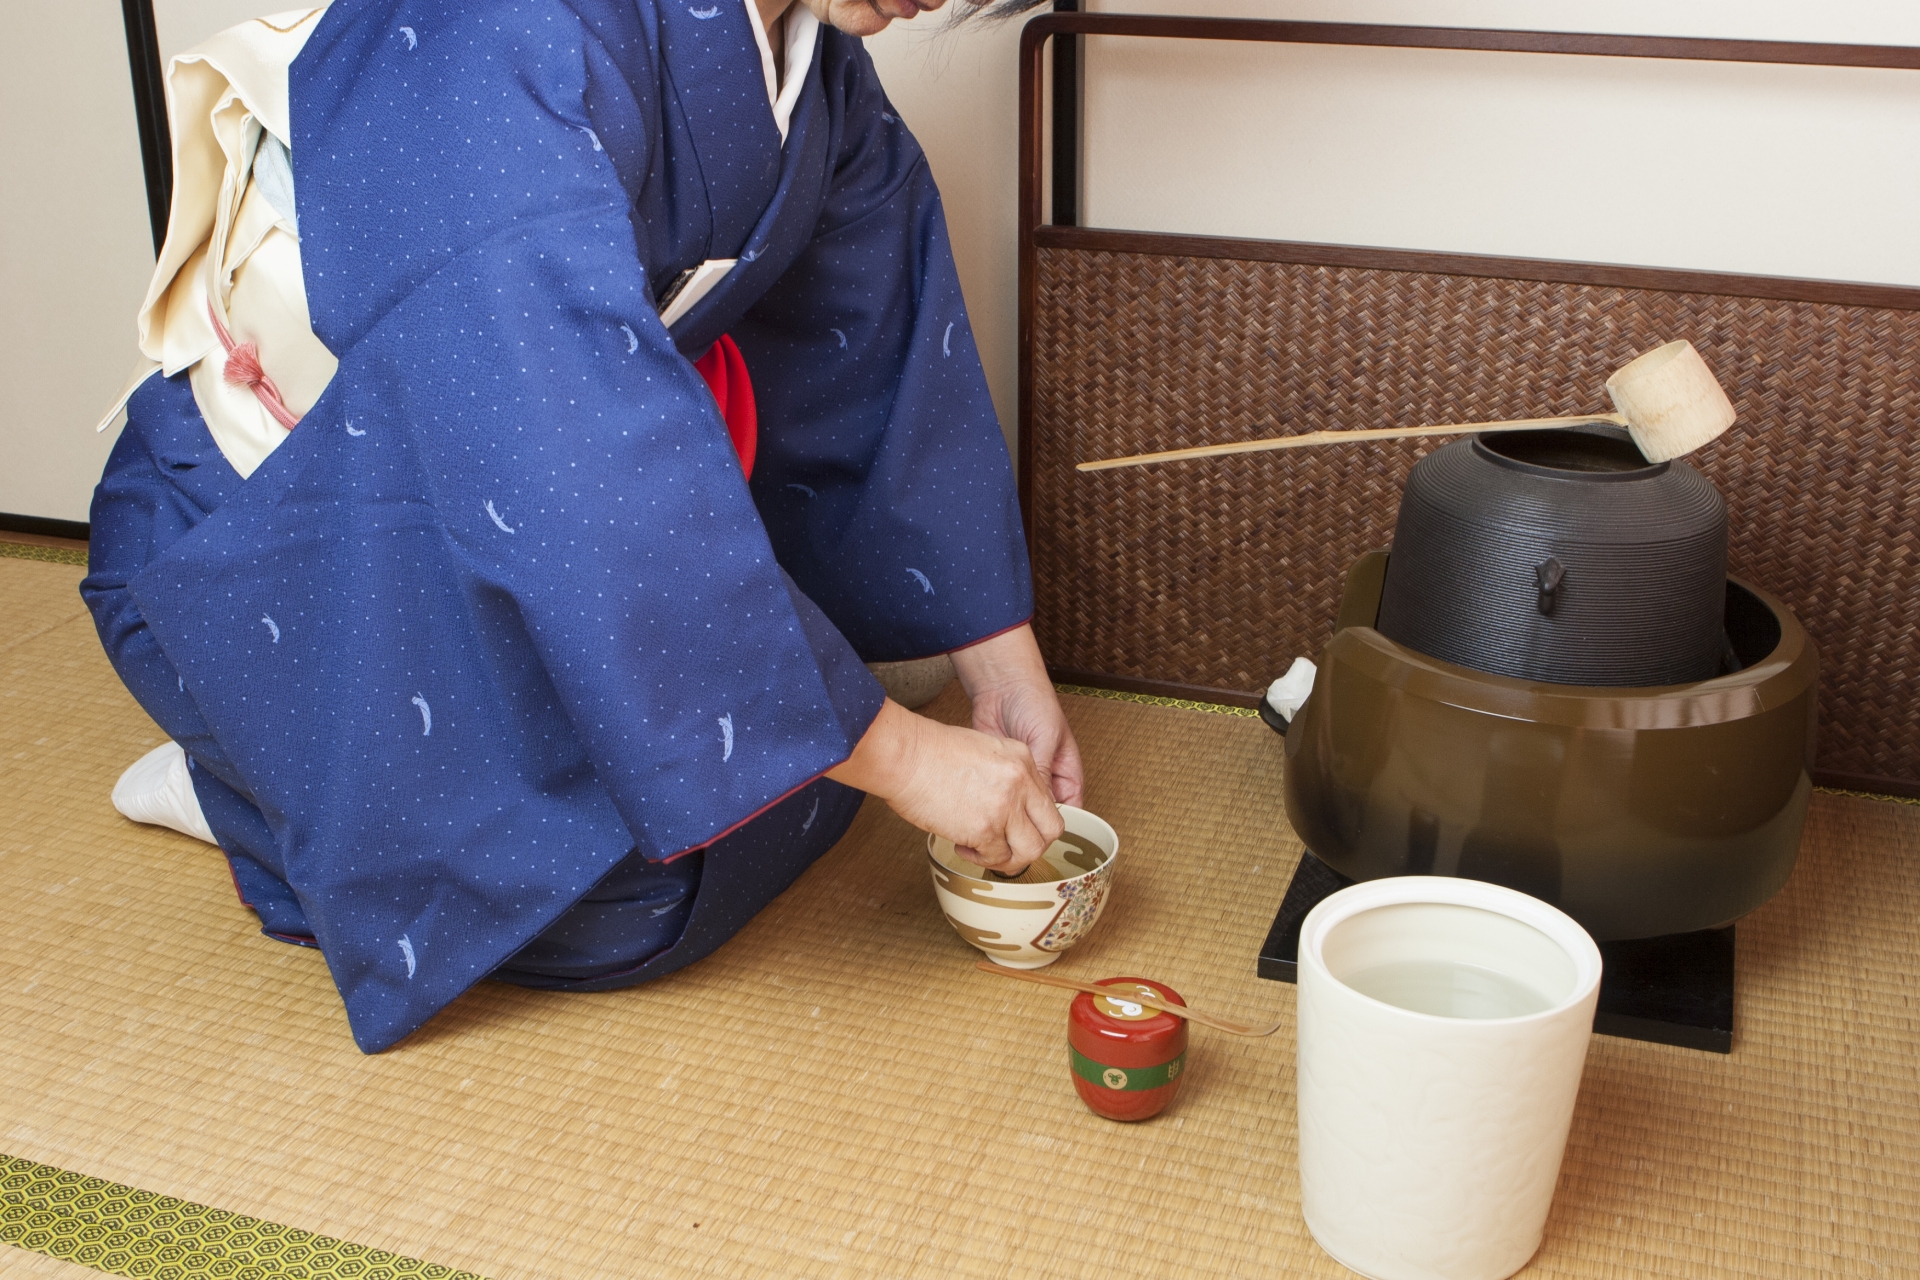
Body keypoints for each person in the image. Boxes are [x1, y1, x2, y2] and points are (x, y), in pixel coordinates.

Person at [83, 0, 1074, 1053]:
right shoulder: (494, 30)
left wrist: (1000, 665)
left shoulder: (814, 60)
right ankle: (254, 772)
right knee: (637, 892)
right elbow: (567, 442)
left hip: (491, 497)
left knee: (793, 762)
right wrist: (907, 759)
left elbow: (877, 336)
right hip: (289, 535)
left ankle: (323, 778)